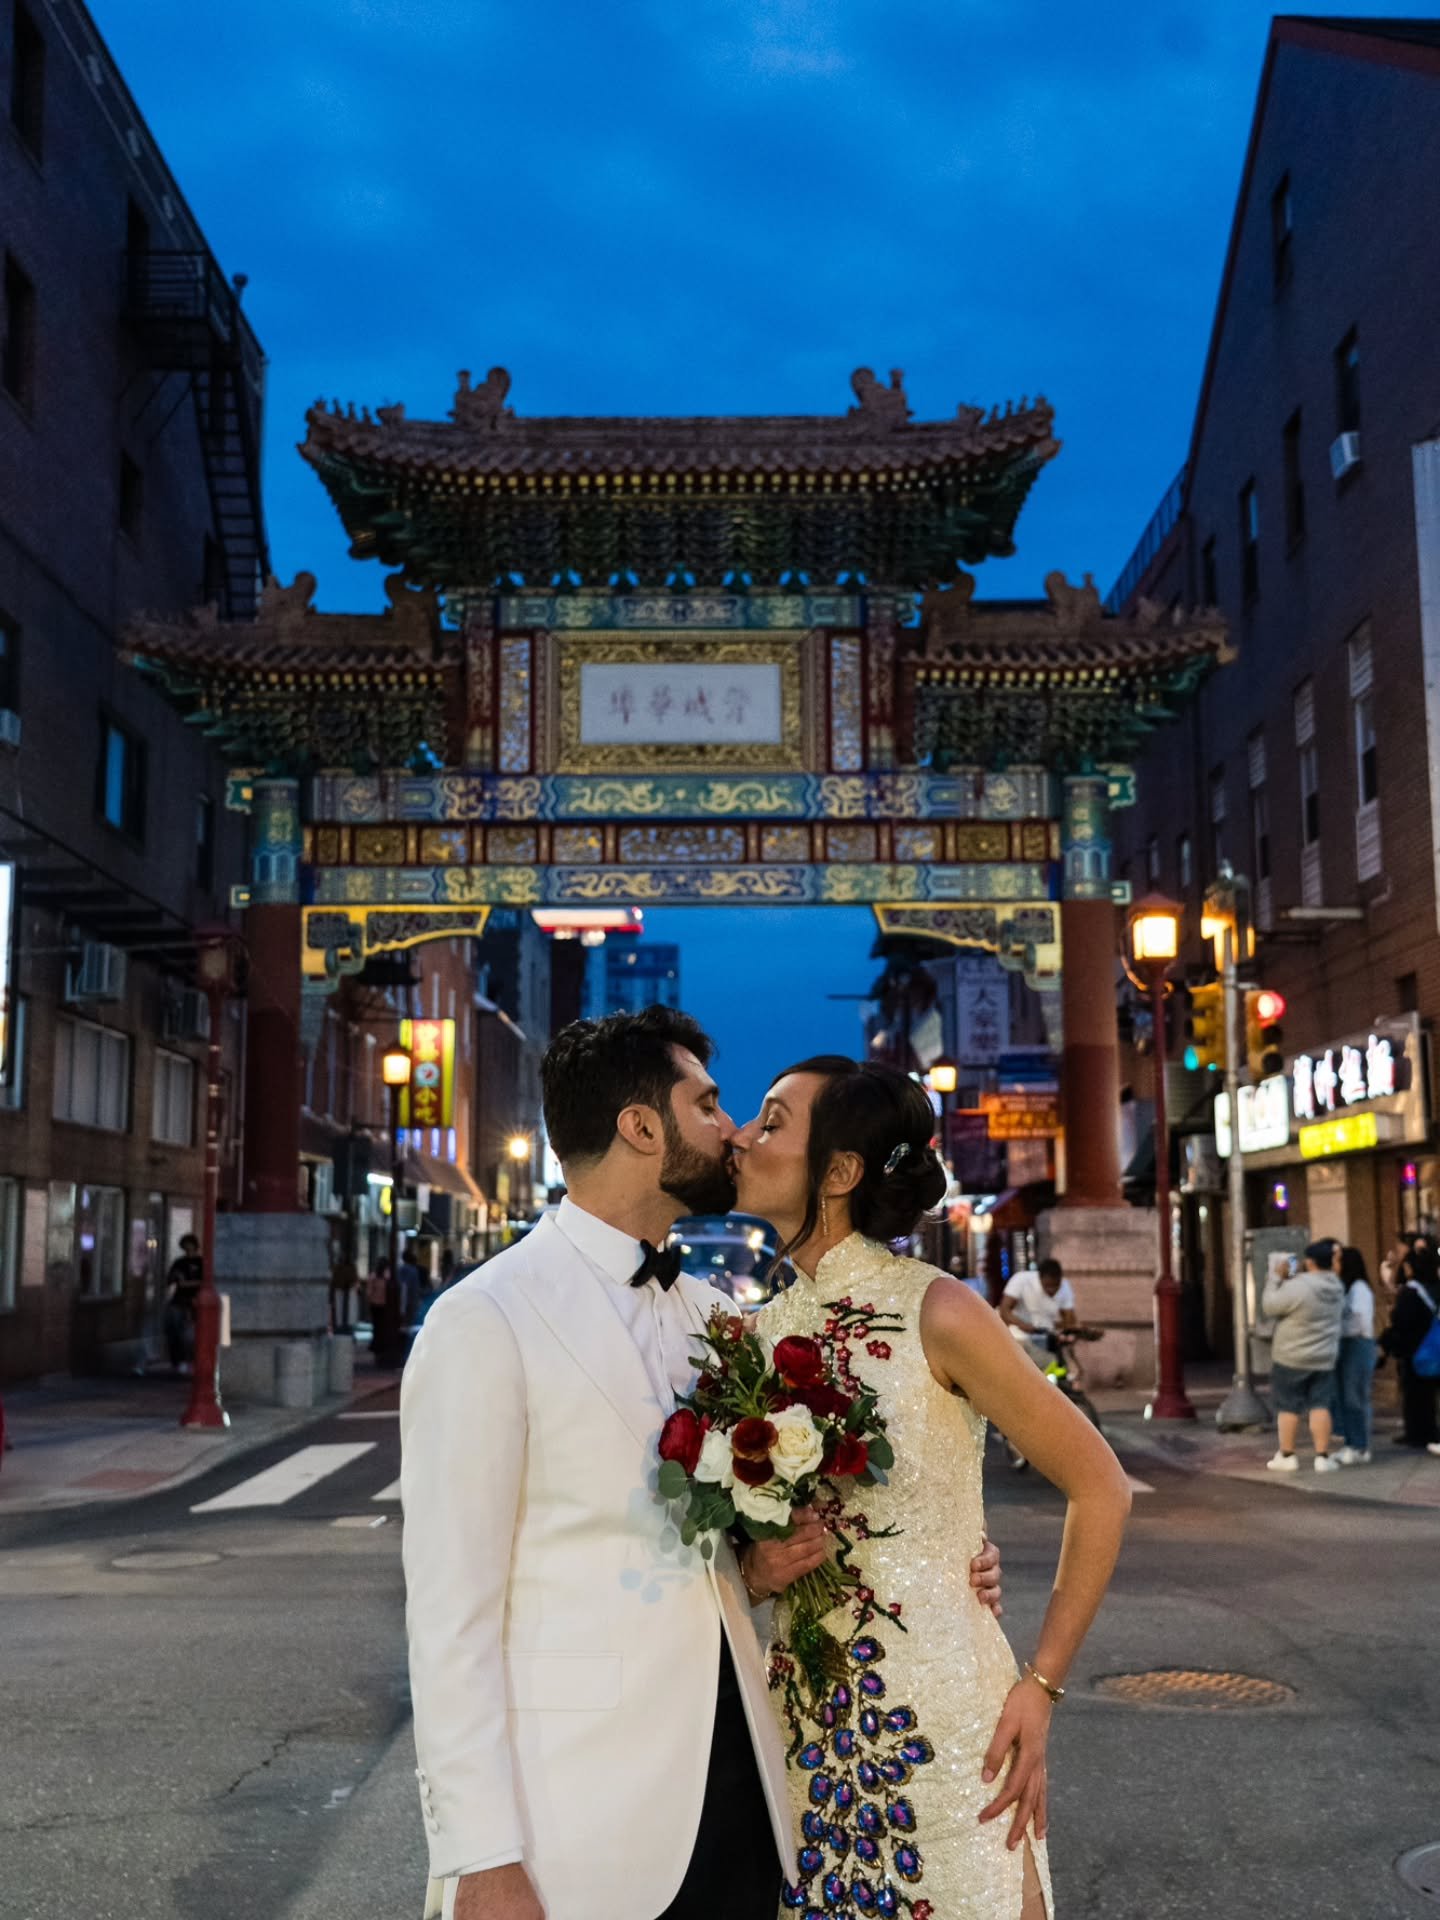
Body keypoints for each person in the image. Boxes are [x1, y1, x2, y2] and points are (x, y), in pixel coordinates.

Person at [399, 1008, 1008, 1920]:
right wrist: (481, 1856)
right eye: (709, 1104)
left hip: (747, 1792)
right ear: (641, 1128)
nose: (730, 1131)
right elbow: (451, 1618)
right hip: (577, 1820)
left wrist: (918, 1554)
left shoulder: (718, 1317)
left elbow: (725, 1537)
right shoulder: (485, 1321)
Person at [732, 1055, 1132, 1920]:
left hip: (949, 1721)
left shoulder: (938, 1310)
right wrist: (756, 1570)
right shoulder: (755, 1332)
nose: (740, 1137)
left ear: (837, 1173)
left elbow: (1101, 1485)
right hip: (802, 1722)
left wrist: (1044, 1685)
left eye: (769, 1122)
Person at [1262, 1240, 1345, 1473]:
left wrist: (1276, 1278)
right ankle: (1322, 1455)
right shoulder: (1336, 1287)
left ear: (1310, 1262)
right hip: (1324, 1357)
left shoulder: (1300, 1286)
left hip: (1291, 1356)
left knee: (1288, 1406)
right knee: (1320, 1405)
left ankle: (1287, 1455)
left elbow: (1270, 1306)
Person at [1378, 1241, 1440, 1451]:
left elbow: (1401, 1322)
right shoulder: (1435, 1288)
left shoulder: (1411, 1292)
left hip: (1414, 1349)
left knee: (1415, 1395)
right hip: (1434, 1345)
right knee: (1430, 1395)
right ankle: (1430, 1430)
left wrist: (1387, 1344)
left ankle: (1418, 1433)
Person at [1332, 1245, 1377, 1464]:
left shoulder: (1359, 1288)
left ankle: (1360, 1445)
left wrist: (1339, 1328)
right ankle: (1353, 1443)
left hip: (1358, 1345)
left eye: (1339, 1260)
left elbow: (1360, 1321)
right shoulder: (1348, 1288)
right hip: (1350, 1344)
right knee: (1347, 1396)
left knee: (1354, 1396)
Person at [1000, 1256, 1078, 1365]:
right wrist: (1023, 1325)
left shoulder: (1065, 1286)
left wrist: (1068, 1333)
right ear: (1039, 1278)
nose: (1052, 1290)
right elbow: (1004, 1310)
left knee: (1062, 1370)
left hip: (1047, 1340)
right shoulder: (1021, 1279)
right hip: (1019, 1338)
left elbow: (1070, 1320)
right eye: (1048, 1286)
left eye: (1056, 1286)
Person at [163, 1234, 204, 1374]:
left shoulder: (201, 1262)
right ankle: (178, 1361)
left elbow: (205, 1281)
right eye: (185, 1246)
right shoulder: (179, 1262)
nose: (187, 1248)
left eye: (190, 1245)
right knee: (174, 1330)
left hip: (195, 1301)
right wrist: (176, 1279)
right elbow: (170, 1279)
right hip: (179, 1300)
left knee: (191, 1334)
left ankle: (190, 1360)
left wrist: (186, 1284)